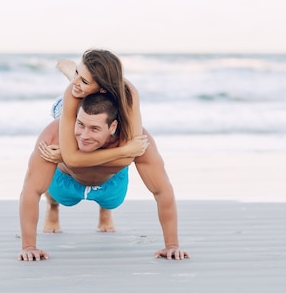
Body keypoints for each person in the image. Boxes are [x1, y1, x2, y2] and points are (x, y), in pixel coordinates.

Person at [19, 49, 189, 261]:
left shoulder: (129, 101)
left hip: (109, 182)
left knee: (110, 200)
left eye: (83, 80)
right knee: (66, 115)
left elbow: (162, 190)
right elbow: (32, 188)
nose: (84, 134)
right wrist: (28, 247)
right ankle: (53, 206)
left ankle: (104, 208)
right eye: (80, 125)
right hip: (67, 177)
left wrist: (172, 245)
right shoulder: (67, 108)